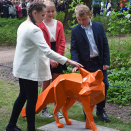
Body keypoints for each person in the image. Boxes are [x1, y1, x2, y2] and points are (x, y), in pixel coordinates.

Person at [5, 1, 83, 131]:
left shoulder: (23, 25)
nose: (43, 18)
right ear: (34, 13)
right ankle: (30, 128)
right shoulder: (34, 29)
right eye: (42, 15)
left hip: (22, 68)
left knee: (23, 96)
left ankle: (11, 125)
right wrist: (69, 61)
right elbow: (47, 51)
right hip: (28, 70)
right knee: (31, 99)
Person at [71, 4, 110, 122]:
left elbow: (105, 45)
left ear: (89, 15)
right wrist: (75, 63)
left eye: (84, 19)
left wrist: (106, 62)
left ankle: (101, 110)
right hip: (85, 64)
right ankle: (87, 113)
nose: (81, 22)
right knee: (87, 89)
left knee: (104, 86)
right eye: (79, 20)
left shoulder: (98, 26)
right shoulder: (75, 30)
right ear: (76, 17)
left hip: (99, 62)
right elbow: (74, 49)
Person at [37, 0, 66, 118]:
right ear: (43, 11)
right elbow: (40, 44)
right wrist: (49, 58)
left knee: (57, 84)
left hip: (57, 52)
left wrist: (57, 58)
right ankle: (43, 109)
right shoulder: (39, 24)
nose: (50, 13)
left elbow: (62, 42)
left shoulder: (59, 24)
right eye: (47, 11)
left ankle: (57, 109)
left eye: (52, 11)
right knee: (46, 83)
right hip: (45, 53)